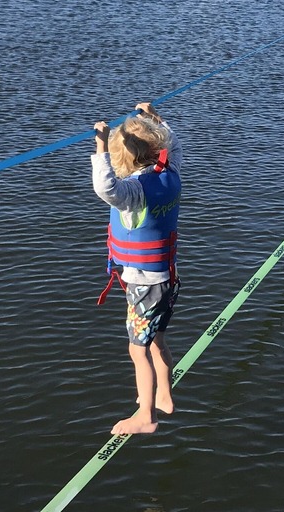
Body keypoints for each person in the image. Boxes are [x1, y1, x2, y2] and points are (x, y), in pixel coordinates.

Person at [91, 102, 182, 435]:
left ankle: (146, 415)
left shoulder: (133, 193)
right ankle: (166, 398)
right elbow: (174, 142)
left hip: (145, 285)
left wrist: (100, 145)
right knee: (157, 339)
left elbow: (105, 188)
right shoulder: (170, 173)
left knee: (137, 348)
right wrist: (154, 117)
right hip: (167, 279)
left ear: (122, 159)